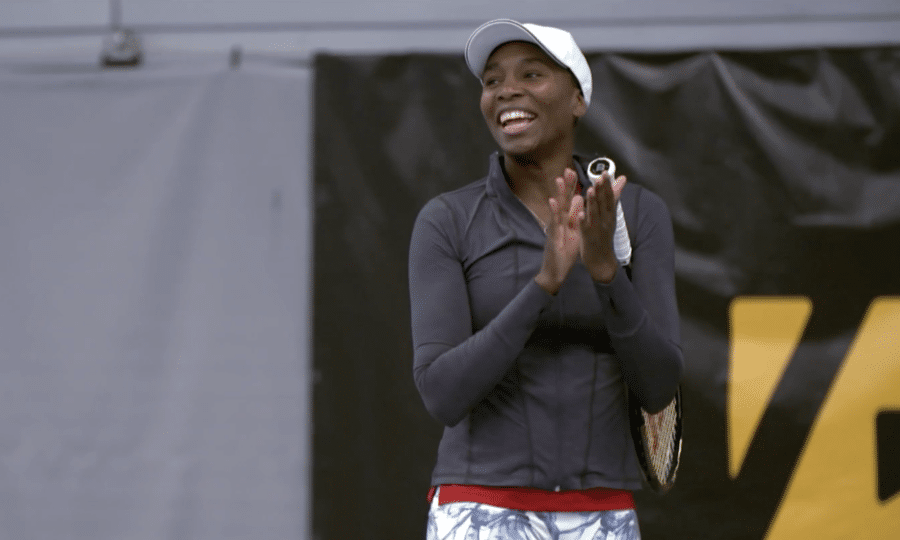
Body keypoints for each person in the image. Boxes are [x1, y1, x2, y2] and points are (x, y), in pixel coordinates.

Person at [408, 18, 683, 540]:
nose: (507, 90)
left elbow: (660, 384)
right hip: (478, 509)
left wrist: (605, 273)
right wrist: (544, 284)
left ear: (577, 100)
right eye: (492, 81)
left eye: (531, 74)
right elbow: (442, 394)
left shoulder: (638, 215)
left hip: (602, 512)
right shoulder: (447, 220)